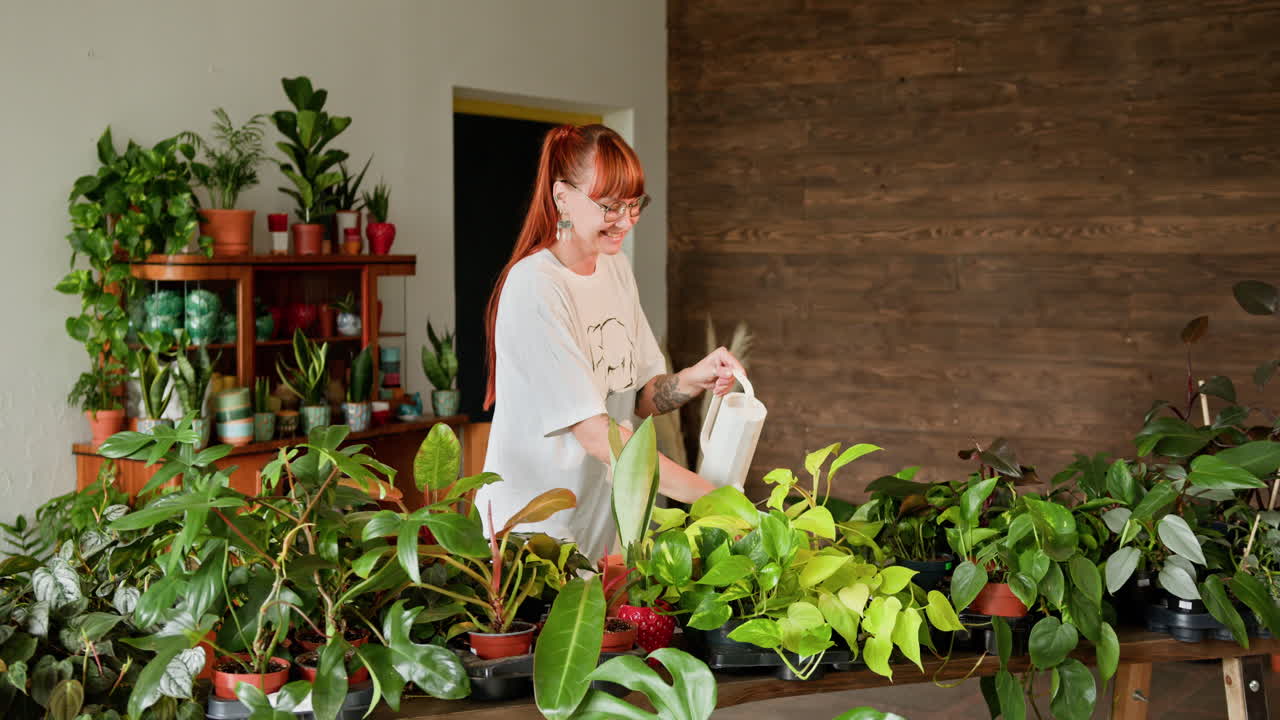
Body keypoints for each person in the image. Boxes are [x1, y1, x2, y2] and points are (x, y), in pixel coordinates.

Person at [478, 123, 745, 563]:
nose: (627, 220)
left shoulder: (614, 268)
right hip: (535, 539)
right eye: (611, 206)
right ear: (563, 196)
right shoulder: (536, 286)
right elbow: (597, 435)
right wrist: (710, 497)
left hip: (602, 530)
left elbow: (639, 397)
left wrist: (693, 378)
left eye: (635, 203)